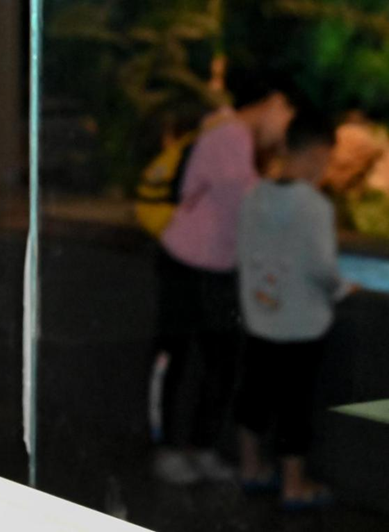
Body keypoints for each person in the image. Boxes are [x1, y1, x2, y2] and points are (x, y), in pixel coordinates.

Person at [153, 88, 295, 485]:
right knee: (185, 359)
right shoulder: (230, 134)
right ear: (275, 102)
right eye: (288, 121)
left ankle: (195, 447)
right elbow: (247, 203)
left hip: (209, 265)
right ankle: (171, 448)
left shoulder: (235, 136)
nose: (284, 134)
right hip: (190, 262)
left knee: (215, 362)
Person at [236, 113, 353, 510]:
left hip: (260, 319)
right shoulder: (315, 206)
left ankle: (250, 468)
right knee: (294, 406)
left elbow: (244, 253)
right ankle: (294, 485)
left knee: (254, 396)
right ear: (319, 153)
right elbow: (322, 267)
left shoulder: (254, 197)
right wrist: (343, 289)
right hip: (301, 326)